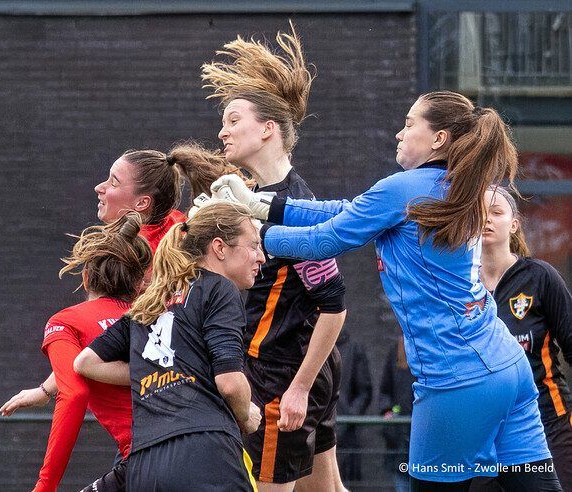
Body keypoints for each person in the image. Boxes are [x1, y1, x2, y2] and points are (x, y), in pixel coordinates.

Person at [213, 91, 562, 490]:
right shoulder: (454, 185)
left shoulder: (404, 187)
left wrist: (252, 232)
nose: (399, 133)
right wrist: (262, 203)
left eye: (410, 124)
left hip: (453, 380)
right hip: (508, 369)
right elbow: (349, 210)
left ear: (439, 139)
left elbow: (321, 241)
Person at [0, 143, 238, 491]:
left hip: (168, 429)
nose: (100, 187)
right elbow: (113, 337)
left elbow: (124, 346)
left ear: (141, 204)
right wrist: (50, 386)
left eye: (112, 181)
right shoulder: (178, 230)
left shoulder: (155, 256)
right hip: (187, 426)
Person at [201, 23, 348, 492]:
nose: (221, 131)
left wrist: (299, 387)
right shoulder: (252, 197)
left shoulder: (294, 206)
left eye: (232, 120)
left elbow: (335, 306)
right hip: (297, 368)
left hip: (280, 375)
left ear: (268, 129)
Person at [75, 202, 265, 491]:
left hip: (145, 464)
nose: (261, 257)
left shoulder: (149, 301)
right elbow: (229, 383)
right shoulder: (219, 289)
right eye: (253, 246)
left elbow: (86, 362)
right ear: (220, 248)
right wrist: (246, 415)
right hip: (205, 452)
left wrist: (150, 371)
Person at [0, 213, 152, 491]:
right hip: (196, 447)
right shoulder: (151, 318)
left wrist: (45, 486)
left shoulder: (67, 321)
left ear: (85, 276)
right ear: (139, 282)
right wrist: (45, 390)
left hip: (145, 457)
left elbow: (75, 393)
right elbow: (100, 352)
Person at [477, 186, 572, 491]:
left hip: (548, 421)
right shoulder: (458, 283)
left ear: (514, 223)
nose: (487, 219)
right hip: (481, 428)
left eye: (496, 212)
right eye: (479, 212)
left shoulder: (540, 277)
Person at [378, 337, 415, 492]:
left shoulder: (433, 352)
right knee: (403, 482)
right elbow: (385, 390)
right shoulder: (397, 351)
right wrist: (387, 410)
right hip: (400, 438)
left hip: (423, 433)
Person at [335, 330, 372, 485]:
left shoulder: (354, 348)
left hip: (346, 435)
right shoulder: (308, 345)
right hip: (317, 430)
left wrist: (349, 415)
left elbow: (365, 390)